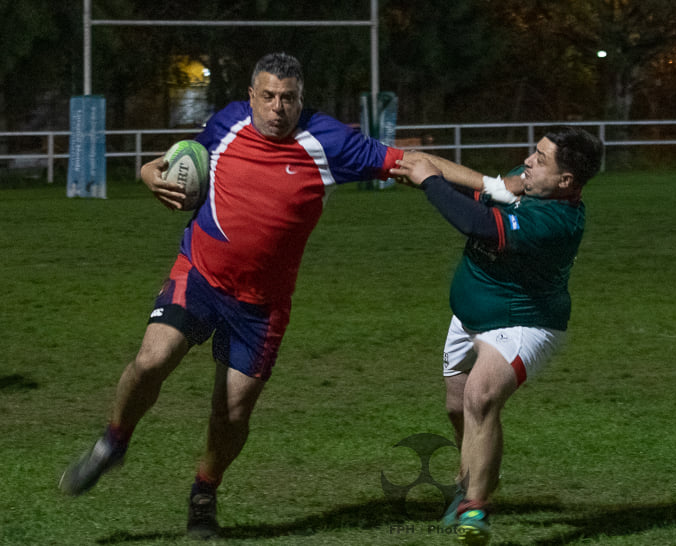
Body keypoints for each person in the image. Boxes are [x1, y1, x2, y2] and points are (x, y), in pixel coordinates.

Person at [58, 52, 408, 539]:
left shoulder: (328, 140)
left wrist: (490, 187)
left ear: (301, 99)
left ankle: (204, 492)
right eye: (268, 96)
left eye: (288, 98)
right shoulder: (226, 122)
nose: (278, 107)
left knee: (233, 411)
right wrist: (146, 172)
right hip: (199, 273)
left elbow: (410, 163)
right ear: (251, 96)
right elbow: (180, 158)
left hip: (261, 305)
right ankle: (114, 441)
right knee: (150, 359)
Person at [391, 127, 603, 545]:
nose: (528, 160)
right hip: (470, 314)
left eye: (541, 159)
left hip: (523, 320)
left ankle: (474, 509)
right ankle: (481, 477)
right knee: (458, 407)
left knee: (481, 396)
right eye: (534, 152)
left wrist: (428, 178)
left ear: (566, 182)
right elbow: (481, 187)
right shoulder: (530, 183)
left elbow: (476, 223)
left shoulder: (556, 220)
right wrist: (422, 164)